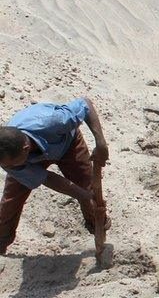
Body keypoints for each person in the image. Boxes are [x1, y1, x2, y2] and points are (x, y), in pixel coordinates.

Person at [0, 97, 108, 254]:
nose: (8, 168)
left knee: (89, 190)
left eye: (11, 165)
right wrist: (82, 195)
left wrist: (101, 144)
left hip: (67, 144)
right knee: (10, 203)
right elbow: (47, 178)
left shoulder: (54, 121)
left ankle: (100, 234)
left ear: (26, 148)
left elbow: (85, 104)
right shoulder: (8, 160)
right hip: (32, 157)